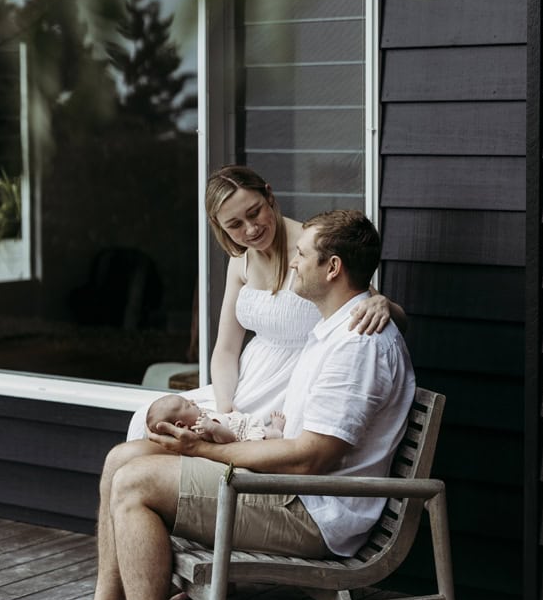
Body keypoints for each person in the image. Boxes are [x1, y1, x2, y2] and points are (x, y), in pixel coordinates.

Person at [26, 210, 415, 600]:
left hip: (311, 511)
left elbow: (308, 462)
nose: (292, 263)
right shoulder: (332, 332)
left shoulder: (356, 346)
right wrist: (219, 431)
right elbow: (291, 435)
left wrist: (206, 449)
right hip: (286, 490)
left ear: (333, 267)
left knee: (136, 484)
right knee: (123, 458)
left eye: (301, 254)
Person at [126, 164, 407, 439]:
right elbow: (225, 349)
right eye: (235, 225)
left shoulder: (310, 250)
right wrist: (226, 405)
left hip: (291, 388)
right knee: (144, 420)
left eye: (255, 212)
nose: (251, 230)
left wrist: (384, 303)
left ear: (269, 197)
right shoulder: (240, 261)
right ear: (219, 226)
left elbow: (359, 298)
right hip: (244, 383)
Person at [145, 392, 286, 442]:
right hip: (243, 435)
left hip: (236, 421)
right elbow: (229, 438)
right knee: (268, 436)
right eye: (187, 405)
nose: (192, 402)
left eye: (189, 401)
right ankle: (276, 430)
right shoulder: (202, 431)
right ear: (181, 426)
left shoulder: (199, 416)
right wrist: (212, 428)